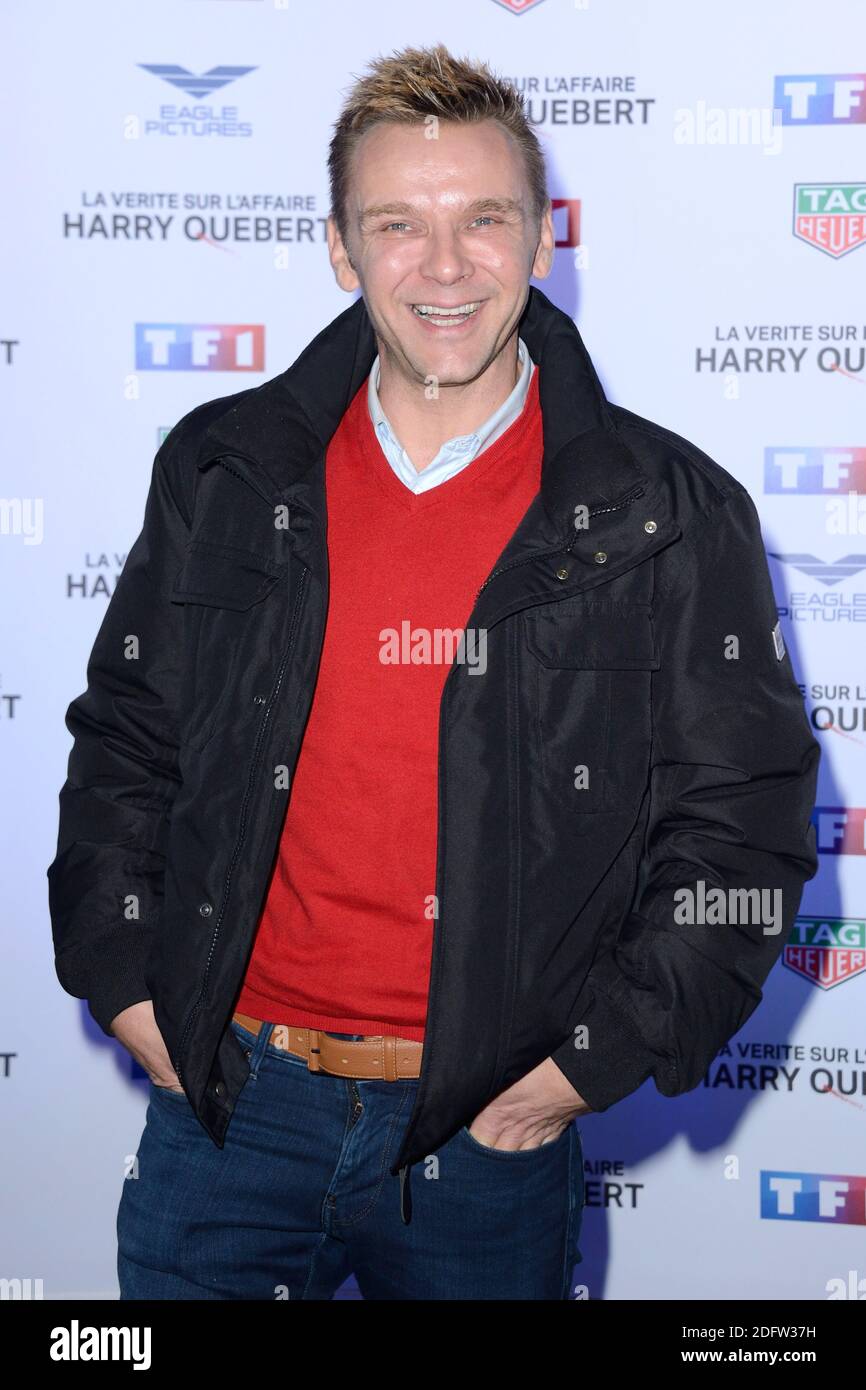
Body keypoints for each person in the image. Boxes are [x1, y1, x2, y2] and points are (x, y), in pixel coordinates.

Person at [47, 43, 820, 1301]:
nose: (445, 267)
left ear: (540, 238)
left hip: (483, 1135)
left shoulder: (665, 510)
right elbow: (128, 739)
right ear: (343, 250)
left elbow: (740, 831)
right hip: (228, 1102)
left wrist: (585, 1063)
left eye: (482, 221)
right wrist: (126, 981)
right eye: (397, 225)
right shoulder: (223, 469)